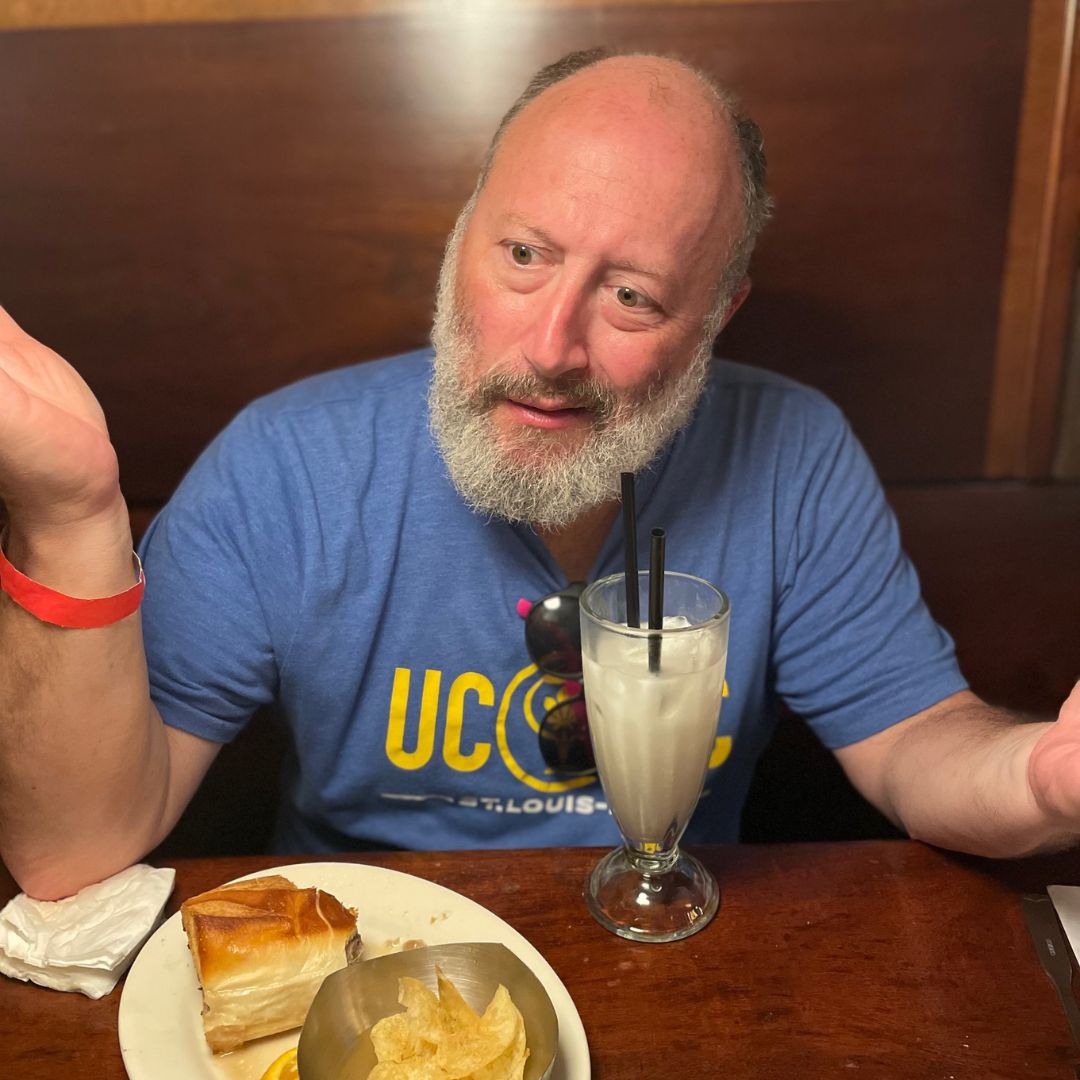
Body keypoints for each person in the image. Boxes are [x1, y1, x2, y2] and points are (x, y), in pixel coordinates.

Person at [1, 48, 1077, 902]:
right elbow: (70, 853)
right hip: (356, 967)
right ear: (460, 236)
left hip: (675, 946)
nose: (551, 346)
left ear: (716, 316)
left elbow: (915, 746)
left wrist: (1039, 779)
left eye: (634, 297)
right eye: (523, 255)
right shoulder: (288, 464)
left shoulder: (793, 452)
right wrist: (72, 512)